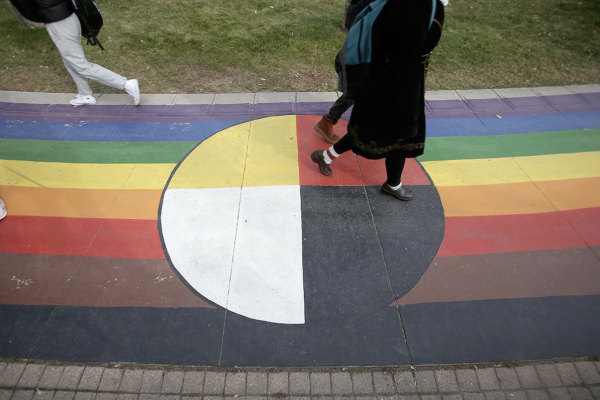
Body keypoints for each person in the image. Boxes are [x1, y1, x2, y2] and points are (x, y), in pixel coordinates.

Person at [311, 0, 446, 201]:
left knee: (370, 128)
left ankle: (328, 157)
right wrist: (409, 109)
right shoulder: (416, 6)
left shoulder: (419, 4)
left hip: (386, 78)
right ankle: (392, 183)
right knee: (396, 134)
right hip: (397, 84)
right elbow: (405, 56)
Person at [8, 0, 140, 107]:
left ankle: (125, 84)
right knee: (69, 58)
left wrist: (35, 15)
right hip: (65, 15)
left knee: (80, 64)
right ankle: (85, 94)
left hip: (58, 19)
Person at [314, 0, 377, 144]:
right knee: (355, 93)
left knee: (362, 93)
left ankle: (332, 121)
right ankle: (328, 121)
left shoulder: (359, 6)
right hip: (357, 58)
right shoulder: (370, 6)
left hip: (356, 55)